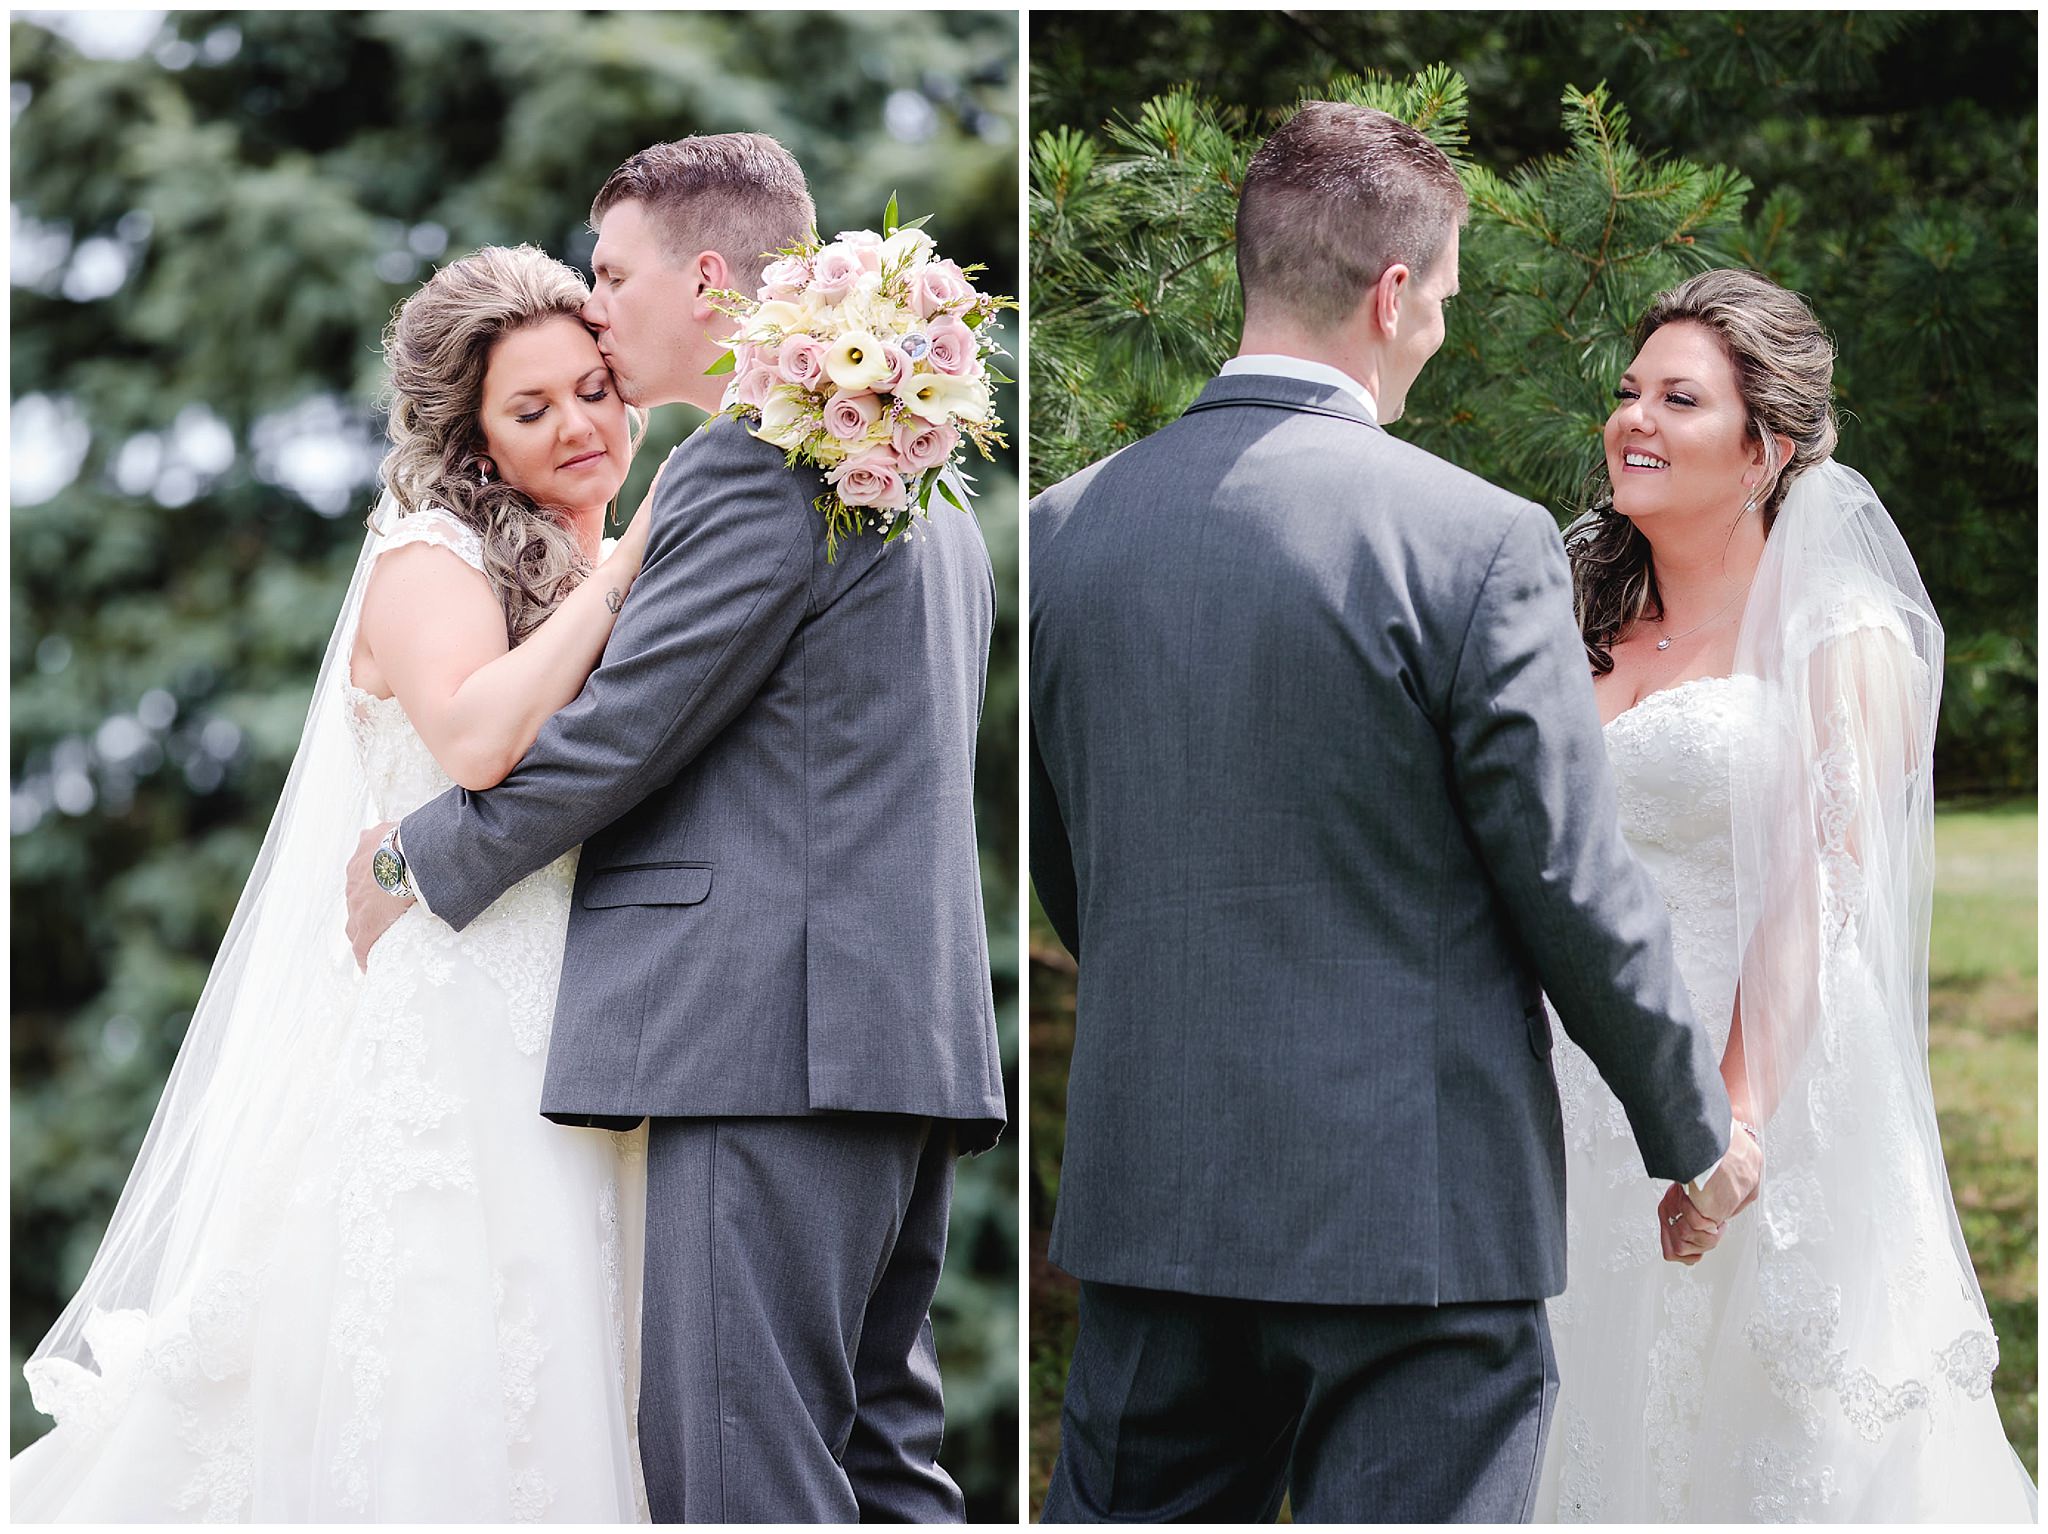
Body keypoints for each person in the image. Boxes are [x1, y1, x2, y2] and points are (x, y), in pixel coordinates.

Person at [1029, 101, 1760, 1523]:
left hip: (1153, 1197)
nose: (1437, 334)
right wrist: (1691, 1128)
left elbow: (1080, 872)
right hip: (1411, 1217)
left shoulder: (1066, 528)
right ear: (1392, 293)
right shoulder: (1473, 539)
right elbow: (1567, 875)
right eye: (1444, 302)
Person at [341, 133, 1005, 1523]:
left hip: (761, 1050)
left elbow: (622, 733)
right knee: (886, 1467)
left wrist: (418, 855)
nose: (597, 305)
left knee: (740, 1478)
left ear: (707, 275)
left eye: (611, 274)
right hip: (901, 1042)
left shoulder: (748, 467)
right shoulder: (916, 471)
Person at [14, 243, 657, 1520]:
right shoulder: (432, 551)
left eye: (592, 387)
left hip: (575, 1012)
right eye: (530, 410)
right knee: (437, 1351)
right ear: (470, 435)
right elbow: (475, 739)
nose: (579, 424)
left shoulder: (583, 548)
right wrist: (626, 572)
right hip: (458, 1020)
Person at [1535, 267, 2036, 1522]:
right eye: (1626, 390)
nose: (1631, 419)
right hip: (1571, 1080)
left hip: (1770, 1070)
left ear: (1767, 449)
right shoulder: (1563, 604)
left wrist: (1730, 1117)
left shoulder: (1840, 631)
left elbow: (1822, 889)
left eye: (1677, 398)